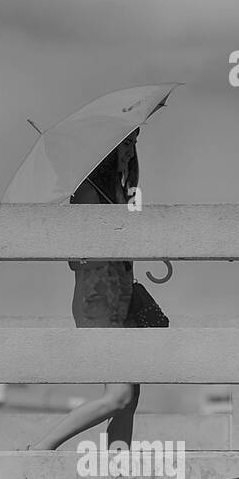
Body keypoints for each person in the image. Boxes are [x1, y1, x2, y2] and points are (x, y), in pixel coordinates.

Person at [30, 129, 145, 451]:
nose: (129, 152)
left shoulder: (120, 193)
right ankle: (40, 449)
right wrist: (117, 235)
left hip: (121, 297)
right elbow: (78, 257)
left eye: (133, 144)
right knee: (118, 395)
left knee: (130, 397)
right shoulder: (87, 190)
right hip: (98, 300)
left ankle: (117, 467)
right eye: (123, 144)